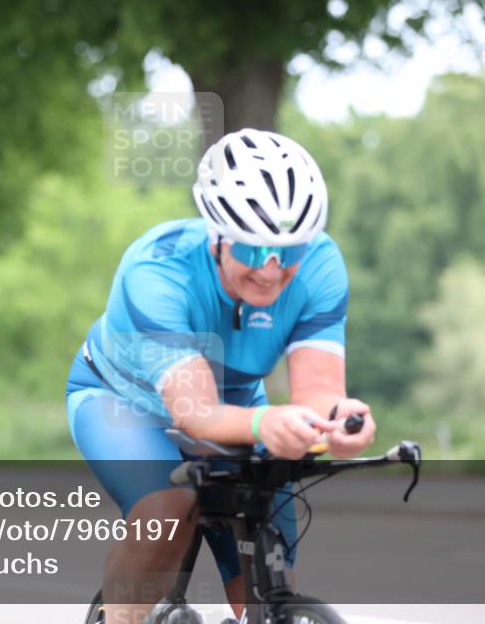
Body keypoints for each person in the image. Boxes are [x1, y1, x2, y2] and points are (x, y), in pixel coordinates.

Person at [65, 129, 376, 623]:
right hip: (125, 401)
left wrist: (337, 422)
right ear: (216, 235)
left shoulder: (320, 265)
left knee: (261, 588)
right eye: (253, 252)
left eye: (289, 251)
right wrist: (264, 425)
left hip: (235, 401)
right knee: (167, 511)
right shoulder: (158, 271)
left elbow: (319, 394)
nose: (272, 271)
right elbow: (197, 414)